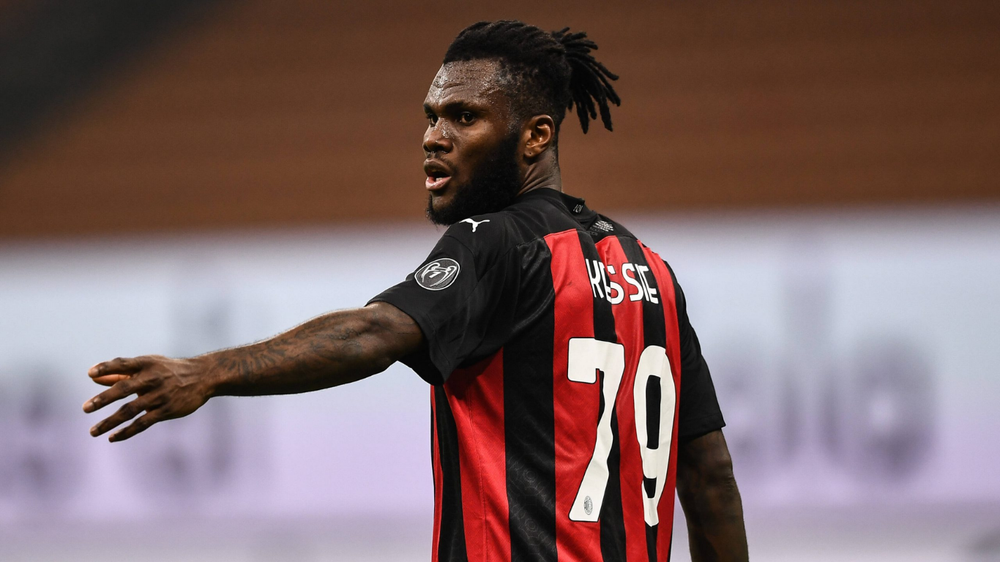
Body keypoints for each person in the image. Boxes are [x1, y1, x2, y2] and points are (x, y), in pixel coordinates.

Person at [84, 20, 748, 562]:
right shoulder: (652, 271)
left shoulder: (497, 243)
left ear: (536, 136)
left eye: (464, 117)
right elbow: (709, 476)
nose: (434, 137)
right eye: (431, 117)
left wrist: (206, 372)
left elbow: (376, 333)